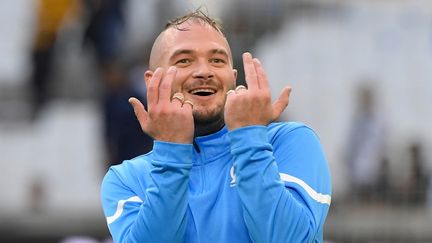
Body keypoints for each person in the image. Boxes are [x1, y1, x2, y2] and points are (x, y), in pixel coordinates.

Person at [100, 9, 332, 243]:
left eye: (216, 60)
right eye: (184, 60)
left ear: (232, 77)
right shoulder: (126, 179)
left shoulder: (289, 142)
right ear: (152, 81)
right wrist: (171, 152)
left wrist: (249, 138)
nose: (204, 72)